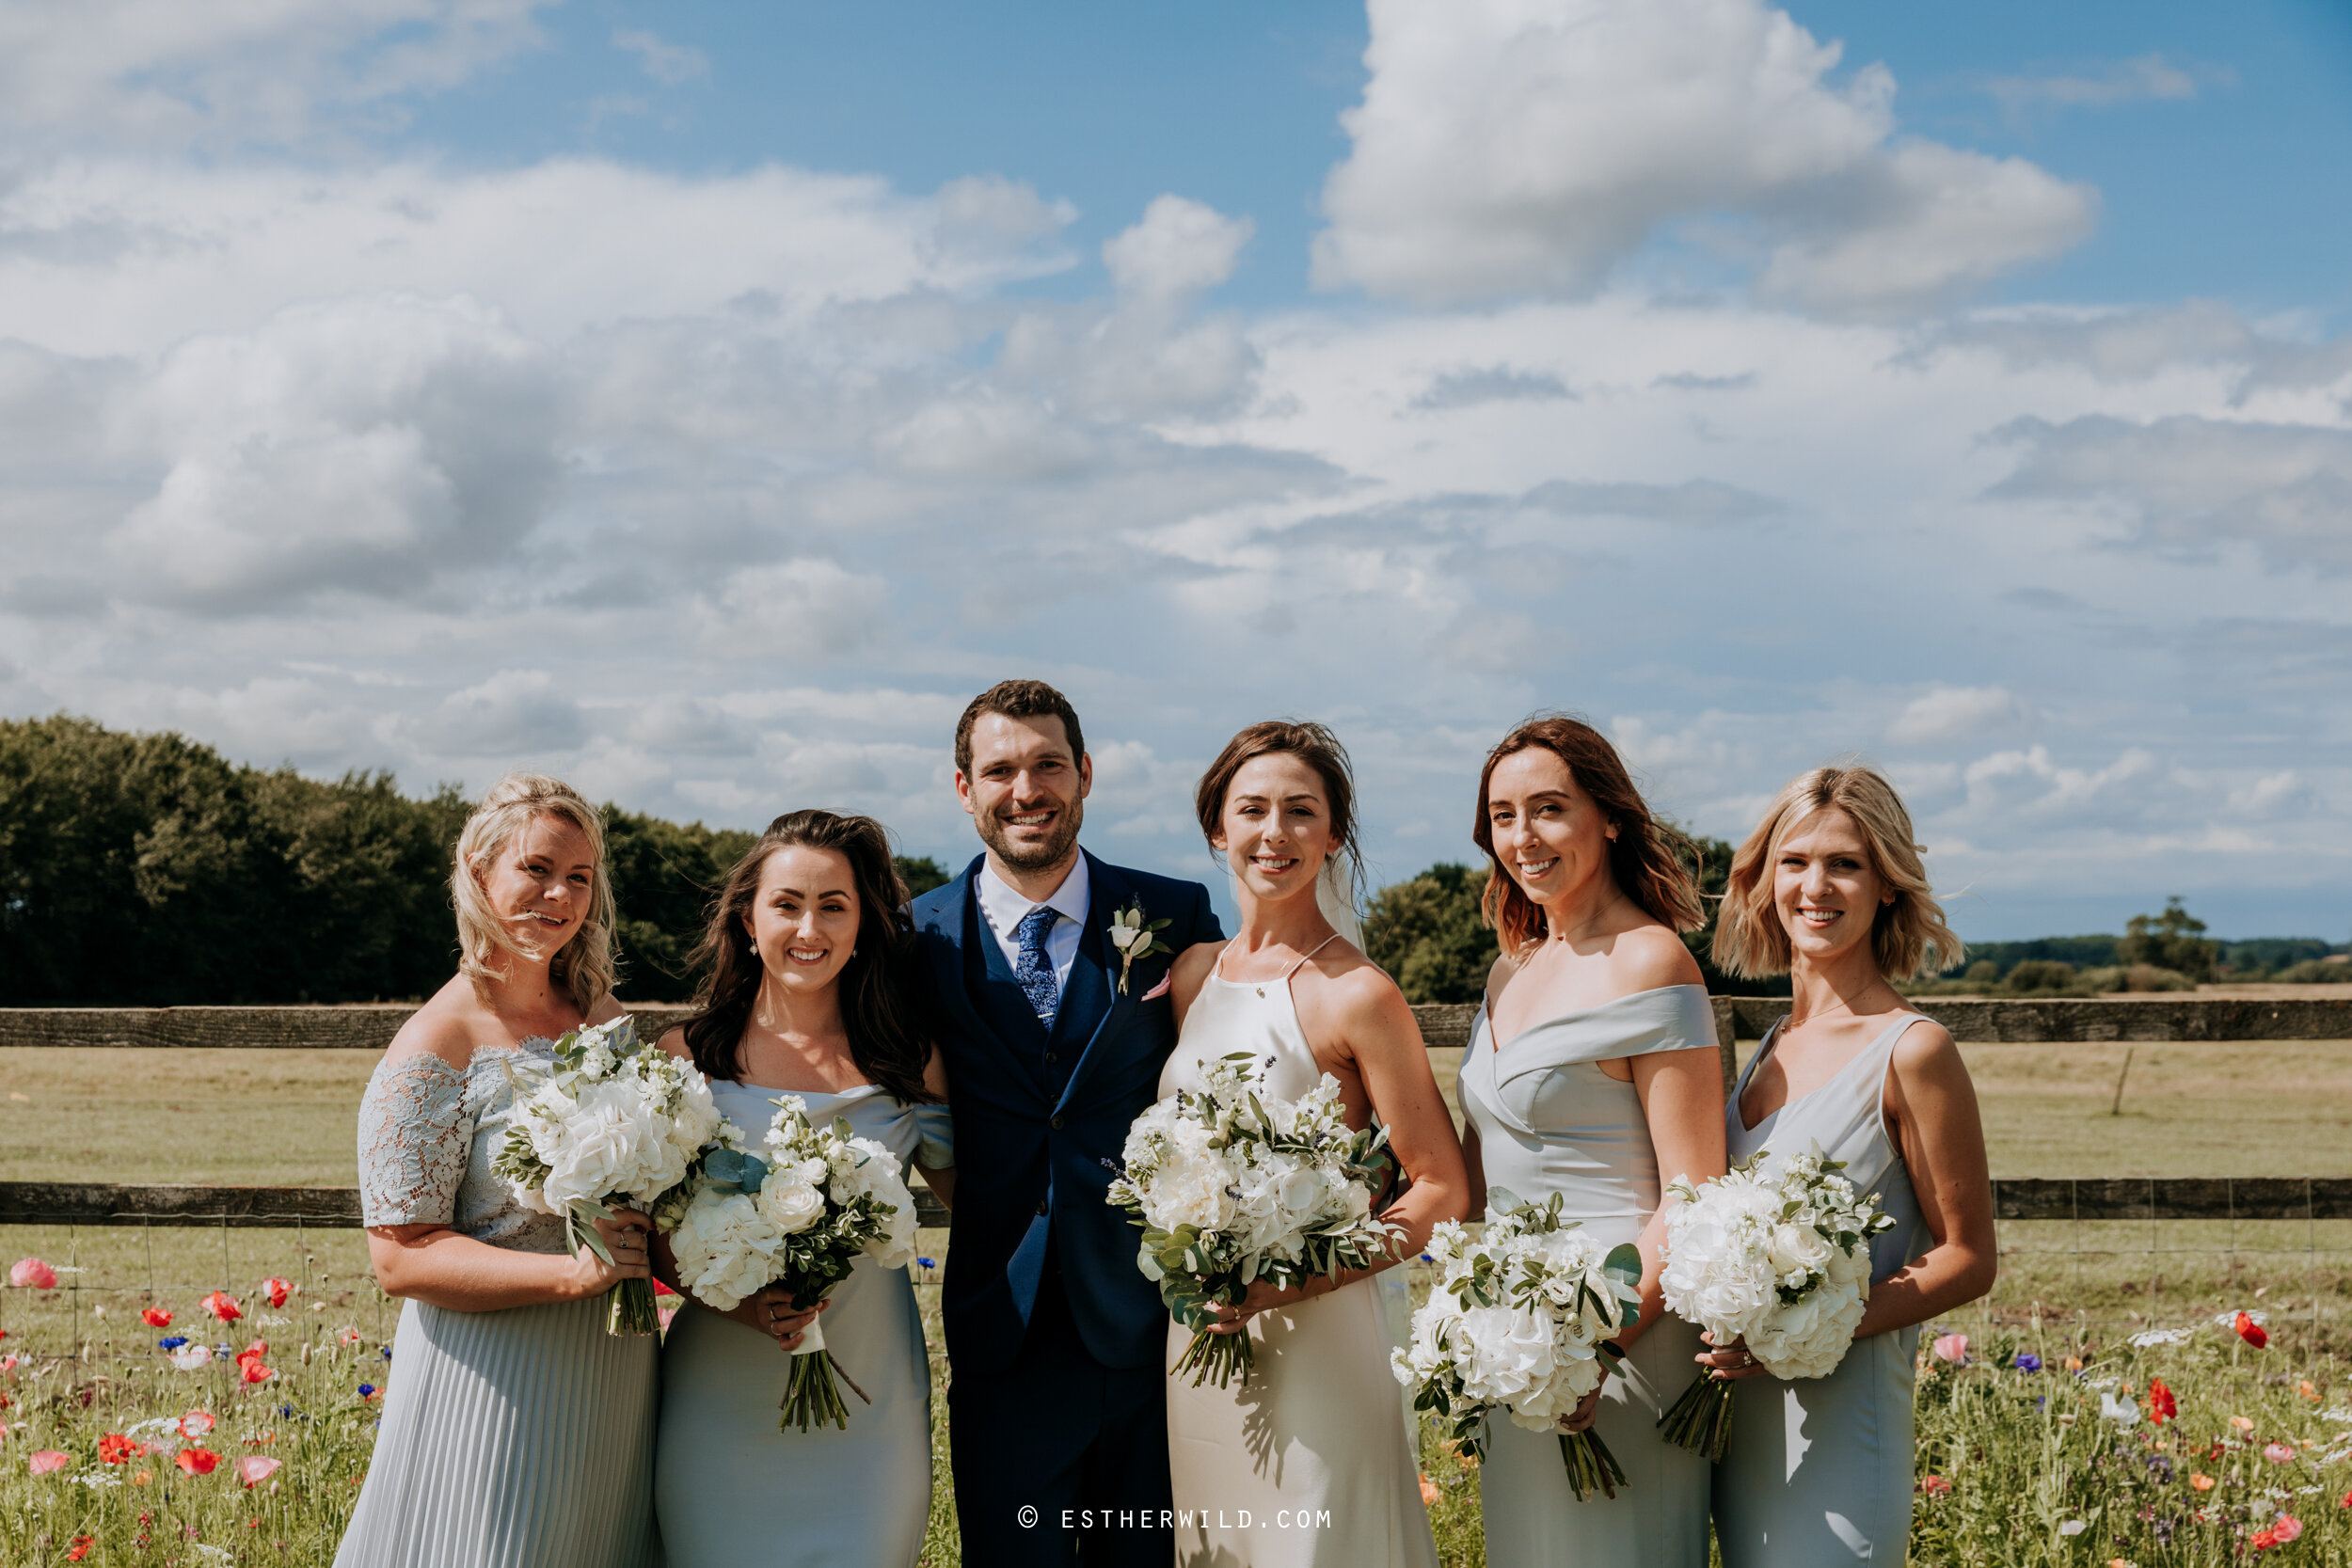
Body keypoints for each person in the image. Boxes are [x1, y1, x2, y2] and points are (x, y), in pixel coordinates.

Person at [910, 680, 1223, 1568]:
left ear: (1084, 774)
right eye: (1000, 768)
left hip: (1155, 1325)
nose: (1026, 788)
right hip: (1001, 1334)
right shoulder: (913, 937)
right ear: (964, 789)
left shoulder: (1173, 915)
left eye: (1048, 763)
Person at [1160, 721, 1465, 1568]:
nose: (1275, 832)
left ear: (1334, 834)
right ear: (1217, 827)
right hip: (1201, 1337)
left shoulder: (1357, 994)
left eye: (1302, 810)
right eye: (1251, 808)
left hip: (1319, 1335)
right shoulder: (1193, 976)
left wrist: (1287, 1283)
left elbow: (1442, 1189)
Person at [340, 775, 659, 1568]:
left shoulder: (606, 1019)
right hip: (492, 1374)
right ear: (480, 869)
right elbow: (400, 1252)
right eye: (537, 869)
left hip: (616, 1367)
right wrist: (571, 1276)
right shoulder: (435, 1042)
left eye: (580, 877)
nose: (560, 894)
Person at [1703, 766, 1997, 1566]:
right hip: (1741, 1436)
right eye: (1794, 862)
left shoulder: (1914, 1048)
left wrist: (1801, 1329)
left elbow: (1968, 1259)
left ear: (1887, 887)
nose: (1816, 885)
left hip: (1843, 1430)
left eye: (1846, 863)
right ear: (1764, 882)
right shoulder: (1767, 1047)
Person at [1455, 715, 1726, 1568]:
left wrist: (1592, 1347)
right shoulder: (1513, 965)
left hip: (1621, 1339)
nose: (1522, 837)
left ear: (1607, 816)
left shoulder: (1654, 961)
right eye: (1503, 816)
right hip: (1516, 1342)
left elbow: (1693, 1191)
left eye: (1547, 809)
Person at [652, 809, 955, 1566]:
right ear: (748, 920)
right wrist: (740, 1300)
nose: (808, 927)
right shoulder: (685, 1058)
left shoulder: (909, 1061)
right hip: (719, 1399)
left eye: (833, 905)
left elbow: (973, 1198)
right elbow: (651, 1232)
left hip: (870, 1402)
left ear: (862, 926)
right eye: (787, 903)